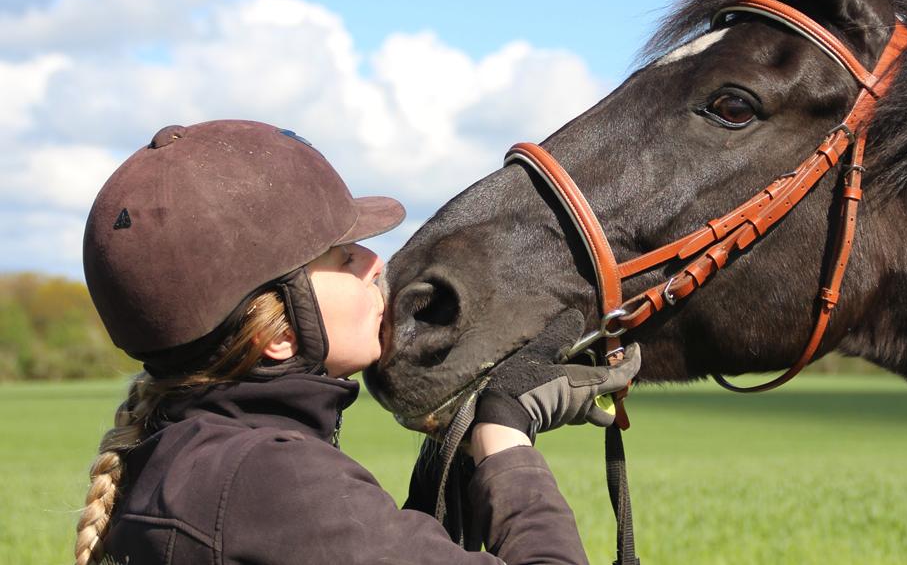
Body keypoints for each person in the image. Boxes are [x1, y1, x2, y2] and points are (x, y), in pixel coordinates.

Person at [74, 119, 640, 565]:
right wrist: (506, 439)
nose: (376, 264)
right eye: (344, 257)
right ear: (279, 331)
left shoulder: (181, 456)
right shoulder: (269, 484)